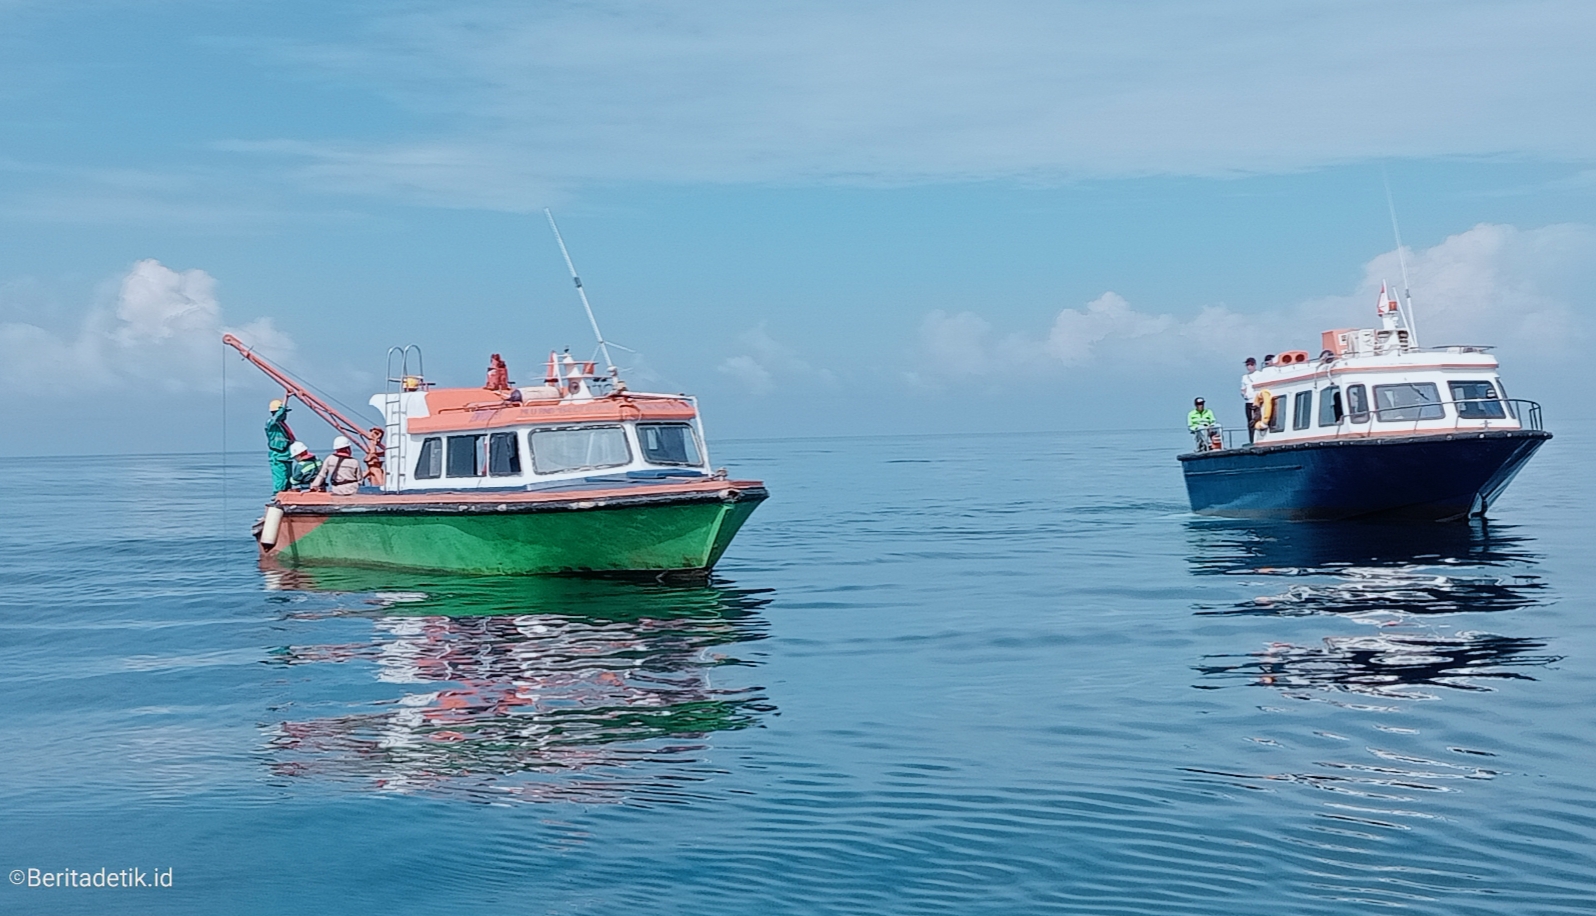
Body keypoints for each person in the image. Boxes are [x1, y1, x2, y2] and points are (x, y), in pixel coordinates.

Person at [265, 398, 297, 492]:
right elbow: (275, 418)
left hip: (287, 457)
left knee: (288, 479)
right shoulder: (271, 423)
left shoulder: (283, 426)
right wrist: (286, 398)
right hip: (278, 457)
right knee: (281, 479)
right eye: (284, 412)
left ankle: (287, 496)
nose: (285, 414)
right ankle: (277, 497)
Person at [1241, 357, 1259, 444]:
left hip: (1257, 401)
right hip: (1248, 402)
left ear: (1254, 365)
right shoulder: (1245, 377)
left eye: (1250, 365)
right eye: (1247, 365)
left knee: (1258, 420)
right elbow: (1243, 389)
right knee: (1250, 422)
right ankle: (1252, 440)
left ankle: (1259, 438)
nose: (1249, 367)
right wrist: (1244, 394)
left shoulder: (1260, 374)